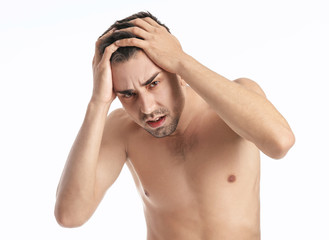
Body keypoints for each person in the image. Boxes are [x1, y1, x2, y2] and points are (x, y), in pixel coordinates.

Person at [54, 11, 295, 240]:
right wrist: (98, 103)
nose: (147, 108)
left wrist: (181, 60)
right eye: (128, 94)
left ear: (175, 71)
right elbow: (70, 215)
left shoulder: (236, 99)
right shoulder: (122, 129)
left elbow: (280, 143)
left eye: (153, 84)